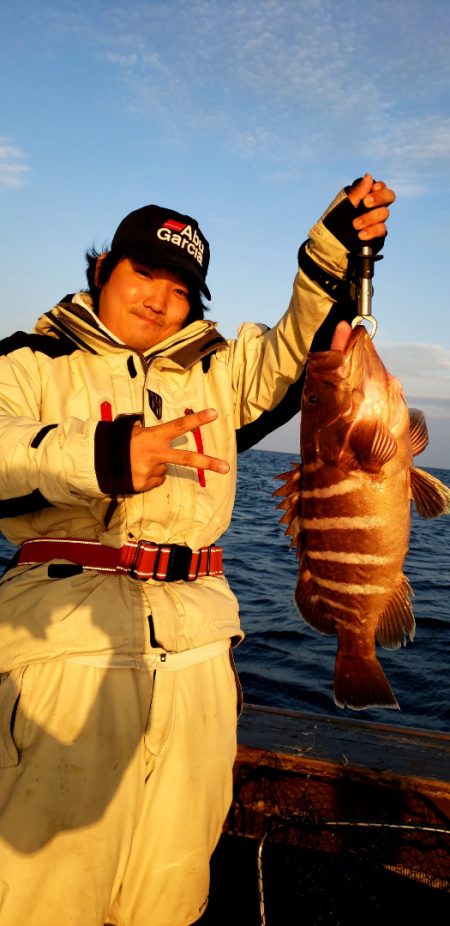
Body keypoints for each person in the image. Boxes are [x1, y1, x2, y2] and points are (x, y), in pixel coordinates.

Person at [0, 173, 395, 926]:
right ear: (101, 271)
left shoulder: (219, 373)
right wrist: (107, 455)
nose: (158, 297)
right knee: (43, 893)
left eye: (180, 287)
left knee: (172, 893)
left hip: (200, 663)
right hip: (63, 655)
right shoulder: (27, 363)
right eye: (143, 272)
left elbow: (298, 348)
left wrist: (336, 246)